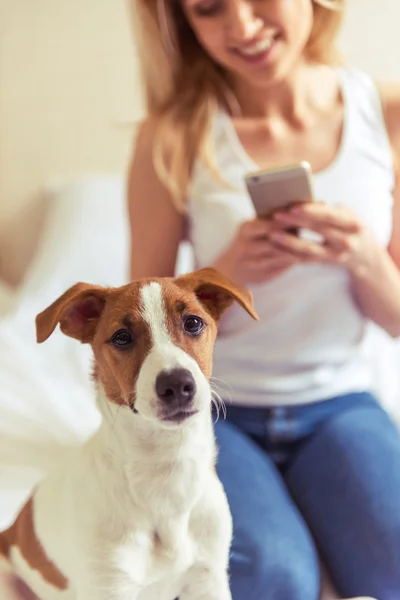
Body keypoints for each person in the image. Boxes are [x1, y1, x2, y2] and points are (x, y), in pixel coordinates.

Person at [127, 1, 400, 599]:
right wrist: (225, 275)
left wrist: (365, 258)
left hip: (341, 404)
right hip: (217, 411)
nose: (243, 28)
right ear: (184, 23)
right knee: (271, 576)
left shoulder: (388, 115)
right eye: (209, 9)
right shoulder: (171, 136)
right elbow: (135, 326)